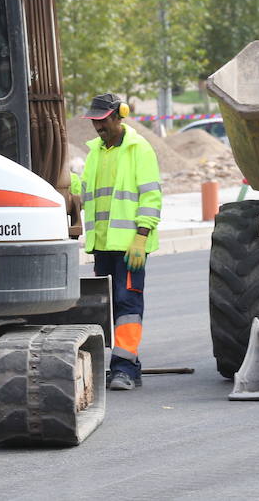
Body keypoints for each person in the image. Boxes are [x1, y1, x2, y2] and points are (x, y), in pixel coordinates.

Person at [76, 93, 162, 391]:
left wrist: (141, 236)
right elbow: (85, 192)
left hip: (129, 246)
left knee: (127, 303)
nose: (98, 127)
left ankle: (124, 368)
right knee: (107, 306)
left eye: (102, 121)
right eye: (94, 122)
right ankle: (128, 366)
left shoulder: (139, 149)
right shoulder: (96, 153)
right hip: (102, 245)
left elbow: (151, 197)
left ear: (117, 116)